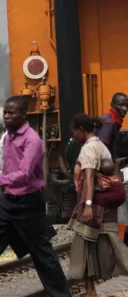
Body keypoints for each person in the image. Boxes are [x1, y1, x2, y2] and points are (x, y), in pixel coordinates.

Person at [66, 113, 128, 297]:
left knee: (108, 239)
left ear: (82, 130)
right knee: (88, 242)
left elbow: (89, 177)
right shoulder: (100, 145)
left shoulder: (89, 149)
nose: (74, 137)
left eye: (75, 132)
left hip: (97, 202)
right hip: (100, 201)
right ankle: (90, 290)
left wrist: (88, 204)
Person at [0, 96, 71, 297]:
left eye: (11, 113)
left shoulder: (32, 140)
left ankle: (60, 295)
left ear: (24, 115)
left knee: (42, 255)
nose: (6, 116)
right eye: (5, 112)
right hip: (8, 202)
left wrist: (1, 180)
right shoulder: (7, 137)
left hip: (29, 203)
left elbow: (24, 174)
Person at [97, 92, 128, 158]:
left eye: (127, 106)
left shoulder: (112, 121)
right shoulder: (109, 122)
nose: (125, 108)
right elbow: (101, 150)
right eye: (121, 105)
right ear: (112, 105)